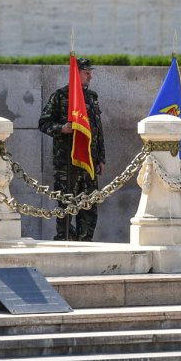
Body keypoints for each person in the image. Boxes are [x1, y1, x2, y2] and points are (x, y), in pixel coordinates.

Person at [38, 57, 106, 241]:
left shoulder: (92, 97)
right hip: (66, 163)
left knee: (89, 206)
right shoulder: (60, 96)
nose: (90, 76)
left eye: (91, 73)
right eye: (86, 73)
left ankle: (86, 241)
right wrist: (61, 128)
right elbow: (43, 123)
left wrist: (101, 158)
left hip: (89, 162)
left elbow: (97, 130)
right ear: (76, 74)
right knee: (66, 205)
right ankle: (65, 241)